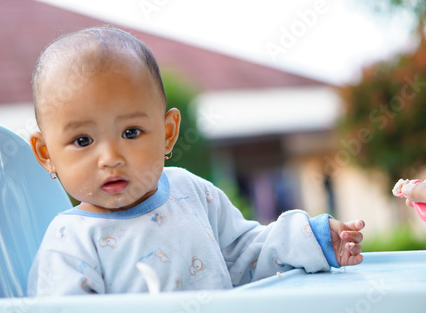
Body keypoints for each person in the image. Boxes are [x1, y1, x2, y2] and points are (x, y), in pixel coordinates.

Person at [27, 27, 364, 296]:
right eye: (83, 140)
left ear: (168, 132)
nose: (111, 158)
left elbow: (246, 253)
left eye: (131, 132)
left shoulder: (191, 193)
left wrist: (310, 239)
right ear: (47, 154)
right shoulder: (69, 243)